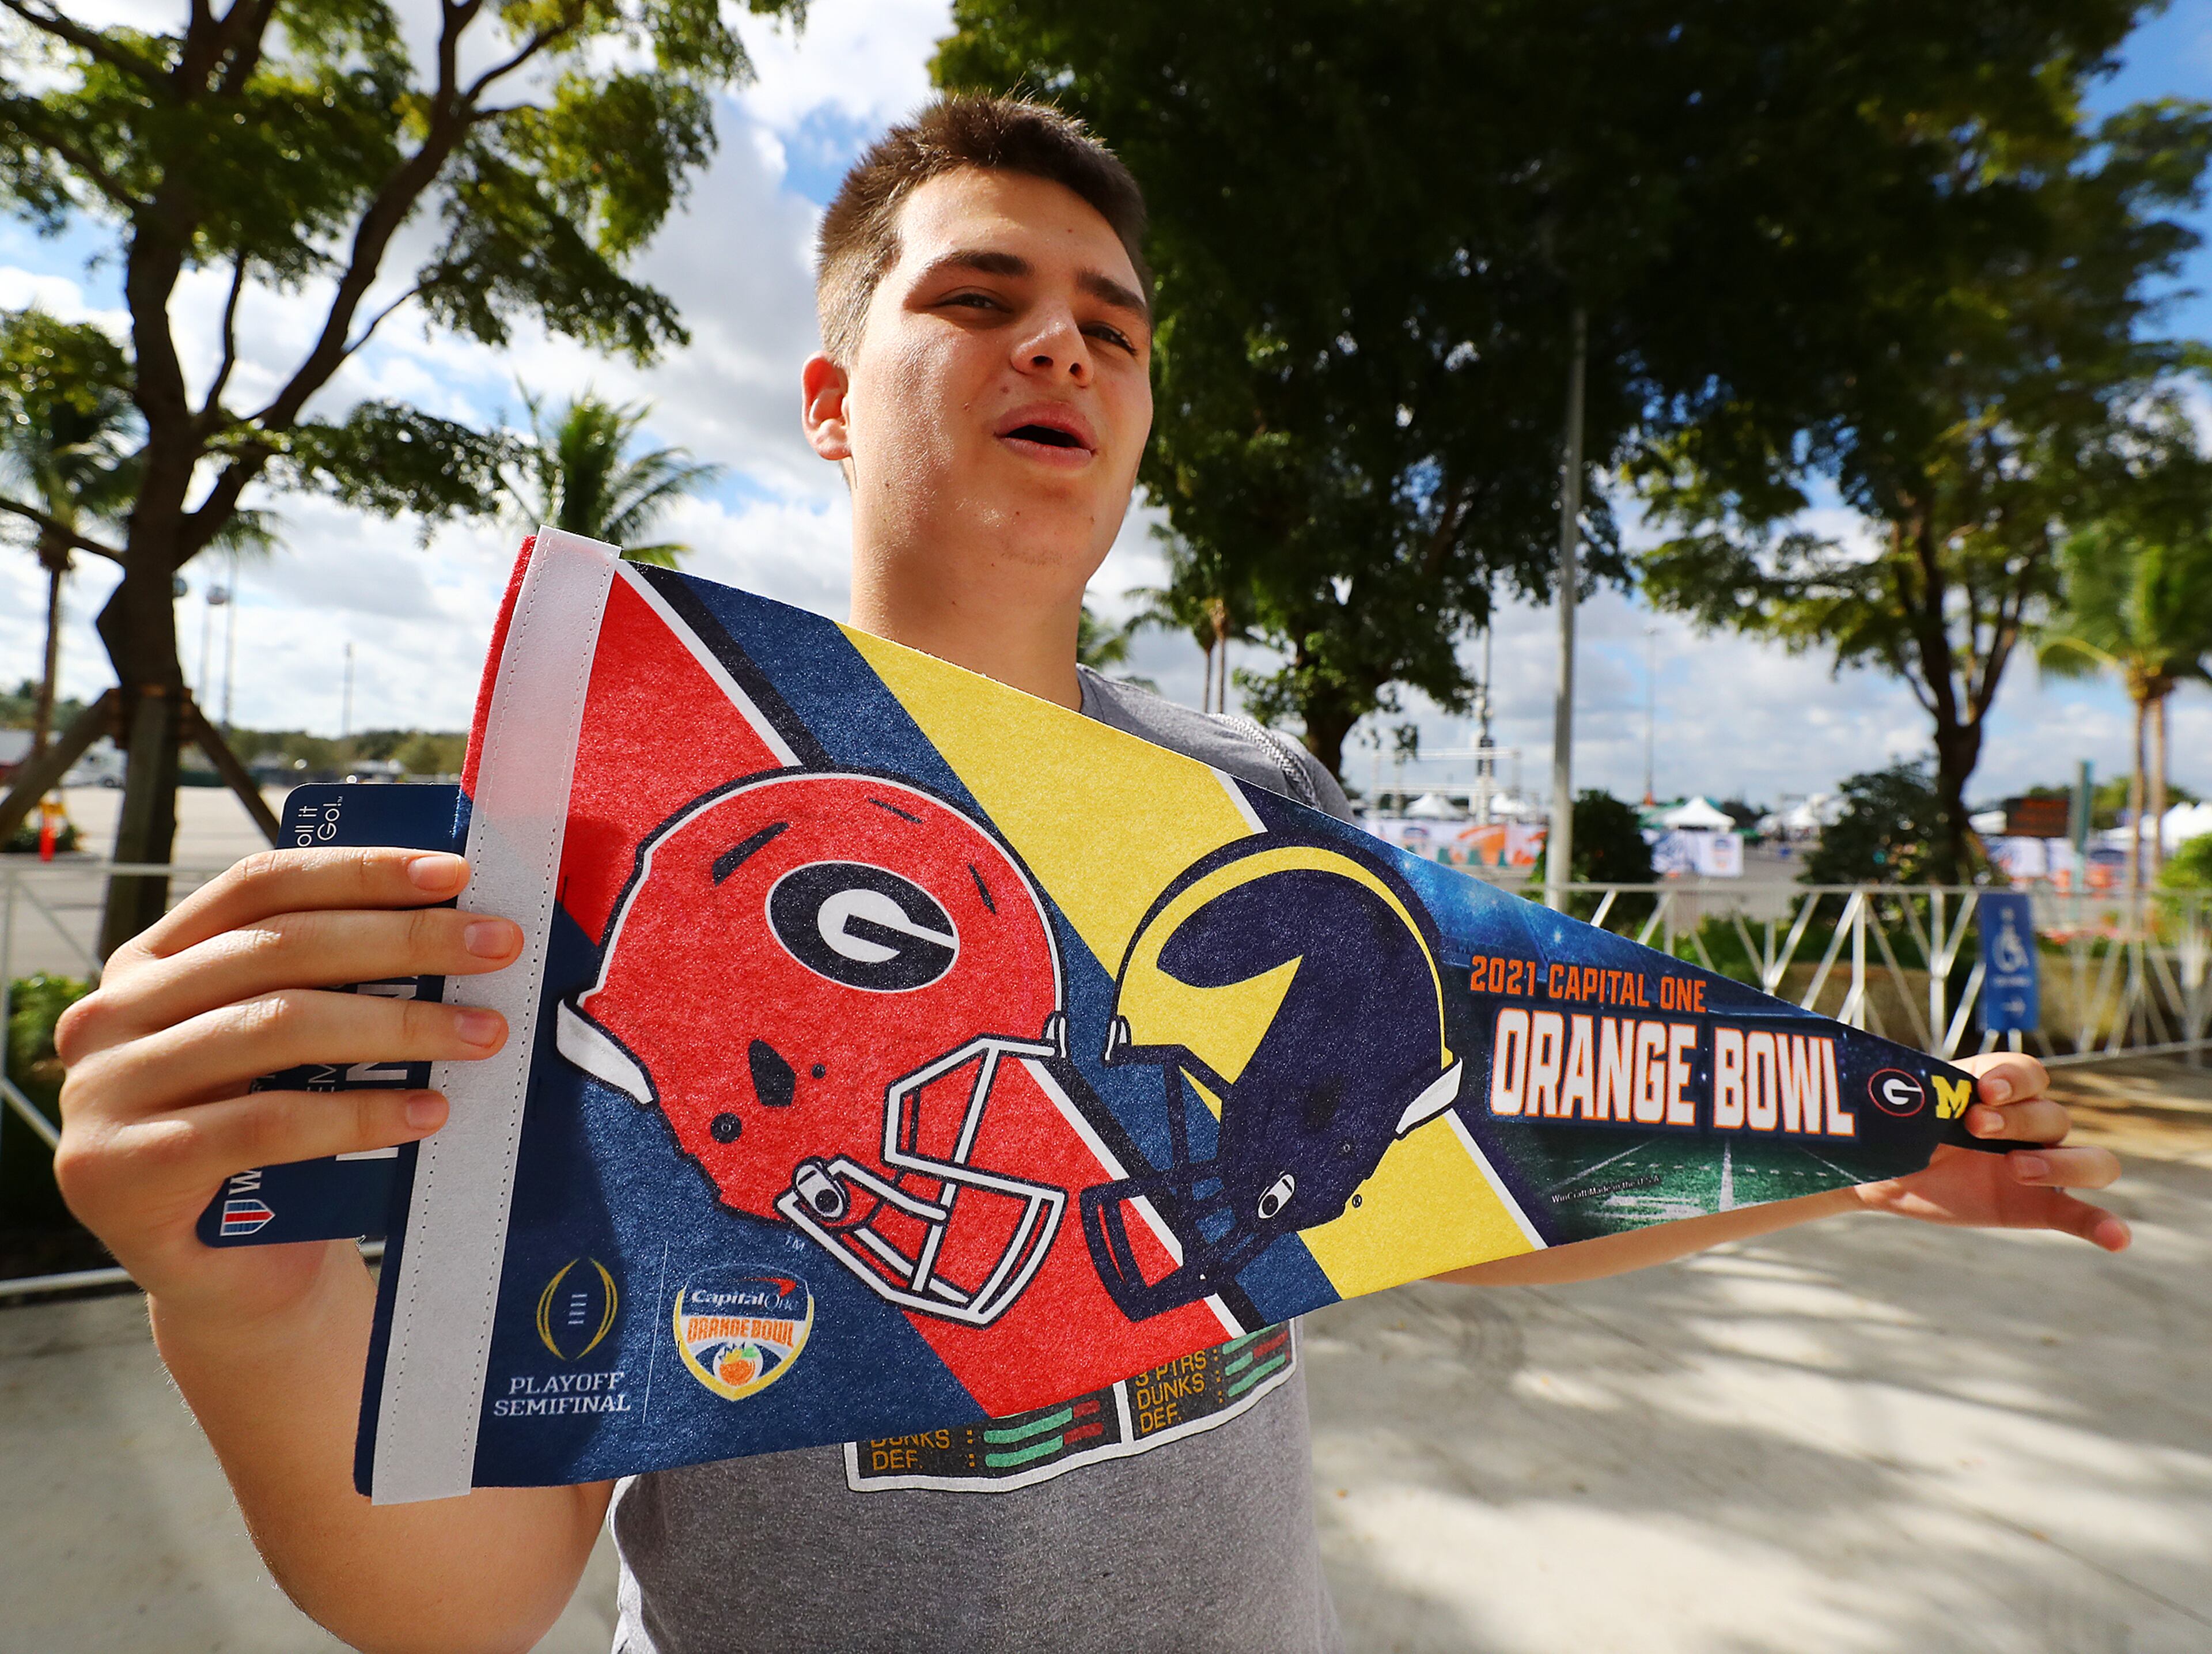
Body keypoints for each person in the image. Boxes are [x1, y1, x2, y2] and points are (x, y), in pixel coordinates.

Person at [51, 96, 2129, 1654]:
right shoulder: (619, 836)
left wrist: (1860, 1149)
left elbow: (1453, 1185)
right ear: (828, 403)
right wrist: (239, 1311)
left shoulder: (1246, 790)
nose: (1063, 347)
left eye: (1112, 329)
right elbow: (474, 1595)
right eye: (980, 300)